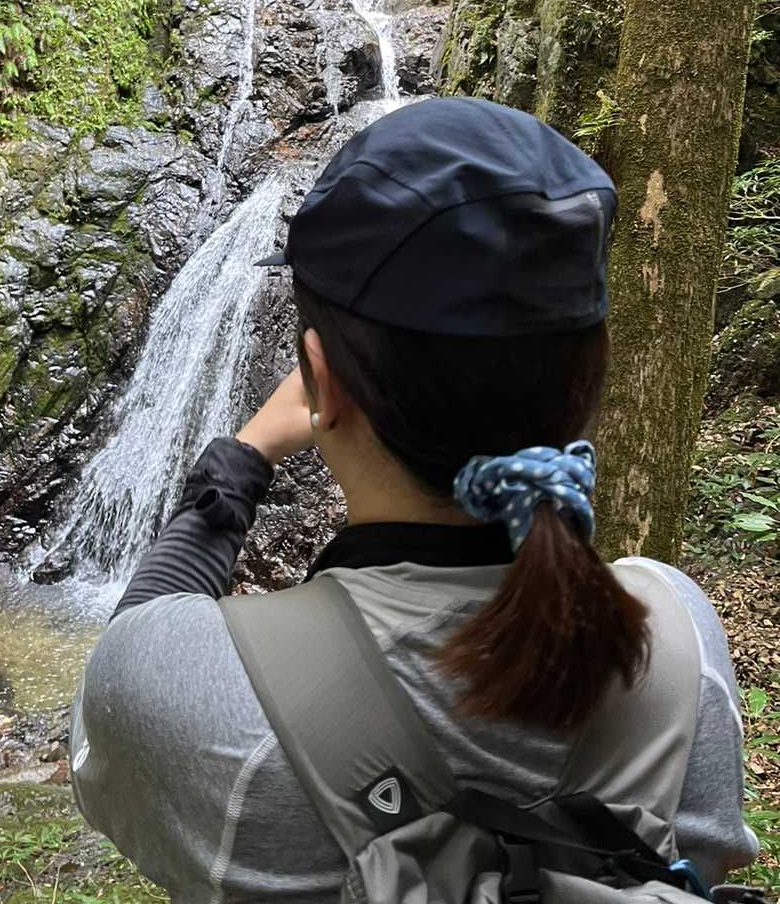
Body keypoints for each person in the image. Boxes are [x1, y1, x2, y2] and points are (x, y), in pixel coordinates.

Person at [70, 97, 757, 904]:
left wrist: (242, 459)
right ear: (585, 381)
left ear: (321, 382)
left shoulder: (202, 694)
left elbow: (133, 647)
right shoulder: (677, 635)